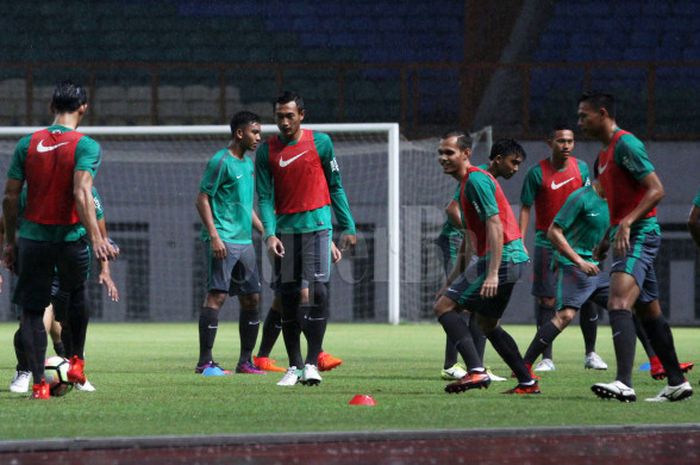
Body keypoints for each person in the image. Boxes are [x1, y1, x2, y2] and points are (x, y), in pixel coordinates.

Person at [2, 80, 118, 399]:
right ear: (83, 108)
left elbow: (10, 197)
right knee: (77, 293)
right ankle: (76, 362)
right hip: (70, 239)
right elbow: (82, 191)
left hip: (33, 240)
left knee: (30, 311)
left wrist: (10, 243)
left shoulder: (27, 144)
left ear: (51, 107)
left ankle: (39, 382)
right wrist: (95, 240)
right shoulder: (86, 145)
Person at [578, 91, 692, 402]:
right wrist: (606, 238)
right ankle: (677, 381)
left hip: (640, 233)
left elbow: (656, 190)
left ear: (603, 113)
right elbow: (615, 204)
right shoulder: (602, 157)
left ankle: (623, 383)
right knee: (649, 312)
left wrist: (627, 222)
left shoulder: (625, 144)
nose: (580, 122)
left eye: (583, 116)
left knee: (617, 303)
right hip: (625, 233)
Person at [255, 91, 356, 387]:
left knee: (319, 293)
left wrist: (348, 225)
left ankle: (312, 362)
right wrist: (270, 233)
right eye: (279, 117)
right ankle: (295, 366)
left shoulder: (321, 143)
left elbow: (335, 186)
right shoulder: (266, 151)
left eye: (289, 116)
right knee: (287, 299)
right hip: (286, 233)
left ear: (302, 115)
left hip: (318, 227)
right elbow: (264, 196)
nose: (284, 122)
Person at [434, 130, 538, 395]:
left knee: (445, 308)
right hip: (509, 259)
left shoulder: (477, 181)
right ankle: (527, 382)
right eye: (441, 153)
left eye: (449, 152)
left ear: (466, 154)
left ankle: (476, 371)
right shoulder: (469, 183)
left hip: (503, 258)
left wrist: (492, 273)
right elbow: (470, 239)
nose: (443, 158)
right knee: (487, 324)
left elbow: (494, 224)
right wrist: (449, 282)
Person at [5, 185, 118, 393]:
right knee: (38, 320)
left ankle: (73, 369)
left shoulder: (86, 190)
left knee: (65, 325)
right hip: (40, 266)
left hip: (71, 267)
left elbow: (102, 231)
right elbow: (5, 222)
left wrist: (105, 269)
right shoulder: (30, 191)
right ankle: (25, 370)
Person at [518, 125, 604, 372]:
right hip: (547, 242)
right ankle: (546, 358)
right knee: (547, 299)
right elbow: (525, 206)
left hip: (579, 243)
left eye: (570, 141)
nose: (566, 145)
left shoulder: (582, 169)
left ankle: (591, 354)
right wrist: (521, 240)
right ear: (550, 143)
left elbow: (590, 200)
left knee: (589, 296)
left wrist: (596, 237)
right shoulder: (536, 173)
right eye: (561, 141)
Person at [194, 111, 265, 375]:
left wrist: (266, 233)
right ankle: (204, 361)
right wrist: (214, 236)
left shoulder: (247, 164)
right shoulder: (220, 161)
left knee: (252, 299)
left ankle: (245, 362)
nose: (259, 137)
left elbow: (247, 208)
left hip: (244, 241)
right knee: (217, 296)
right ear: (239, 133)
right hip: (223, 238)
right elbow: (202, 199)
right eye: (254, 132)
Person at [254, 243, 343, 374]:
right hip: (286, 242)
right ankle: (317, 354)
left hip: (303, 241)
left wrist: (329, 242)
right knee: (302, 295)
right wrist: (269, 234)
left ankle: (262, 357)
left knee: (281, 302)